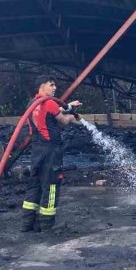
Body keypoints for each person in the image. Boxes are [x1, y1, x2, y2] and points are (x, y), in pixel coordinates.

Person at [20, 75, 81, 232]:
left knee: (34, 185)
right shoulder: (49, 103)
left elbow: (51, 111)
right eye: (51, 85)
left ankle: (27, 223)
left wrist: (68, 106)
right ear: (42, 86)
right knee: (52, 186)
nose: (55, 88)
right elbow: (63, 120)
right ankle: (47, 224)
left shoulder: (32, 103)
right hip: (51, 150)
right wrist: (73, 115)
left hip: (37, 150)